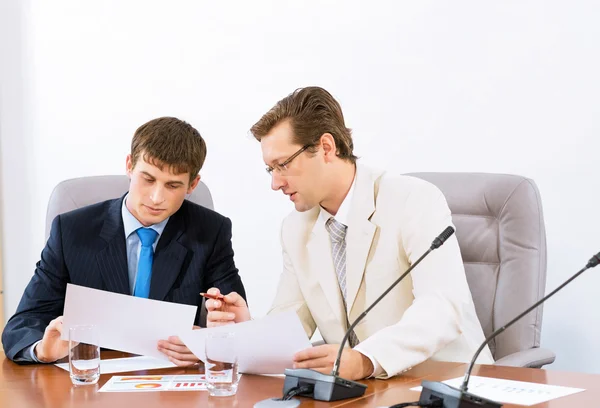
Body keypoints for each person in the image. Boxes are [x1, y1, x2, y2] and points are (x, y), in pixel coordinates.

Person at [205, 87, 493, 380]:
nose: (275, 183)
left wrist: (367, 359)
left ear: (326, 148)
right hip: (362, 392)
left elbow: (442, 307)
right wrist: (247, 327)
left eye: (283, 165)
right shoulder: (296, 228)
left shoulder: (412, 199)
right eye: (270, 170)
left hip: (447, 382)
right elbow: (292, 322)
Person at [2, 117, 246, 366]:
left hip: (174, 381)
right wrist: (43, 350)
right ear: (129, 165)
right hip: (90, 381)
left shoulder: (211, 232)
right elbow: (22, 326)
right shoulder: (72, 231)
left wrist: (209, 343)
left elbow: (236, 323)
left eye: (172, 185)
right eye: (148, 179)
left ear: (193, 184)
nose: (156, 197)